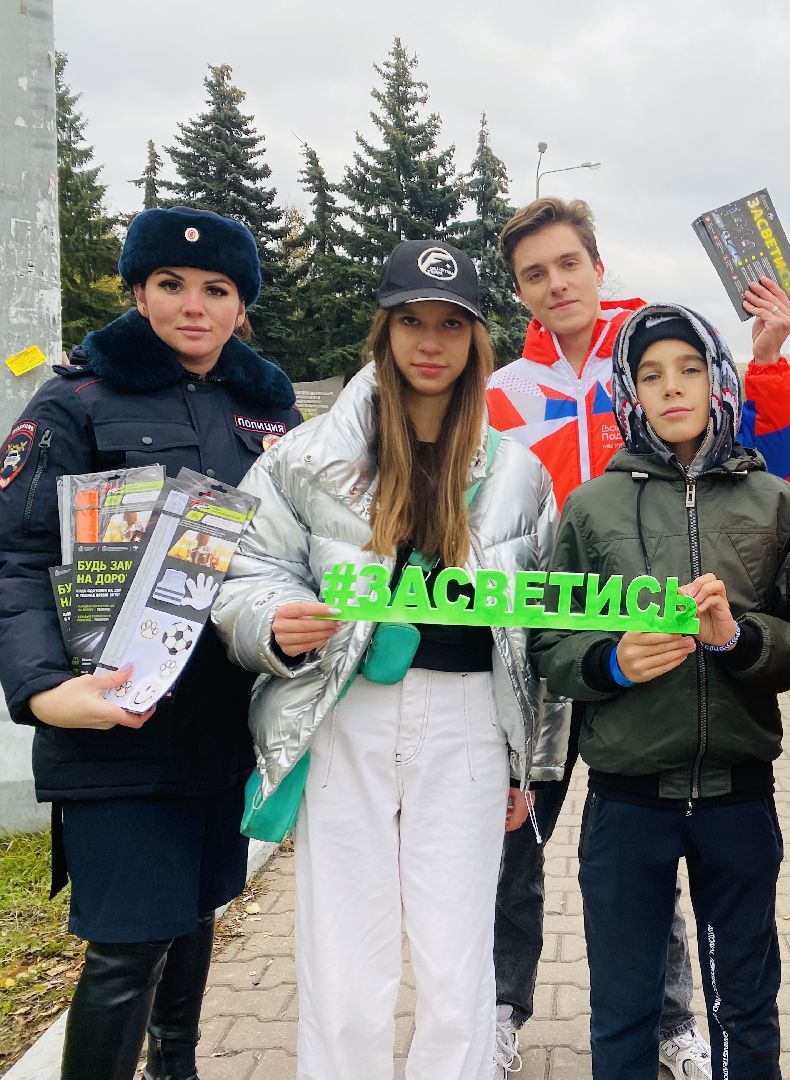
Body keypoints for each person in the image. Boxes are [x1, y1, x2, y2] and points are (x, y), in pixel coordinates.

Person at [211, 239, 560, 1080]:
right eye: (411, 321)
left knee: (456, 952)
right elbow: (246, 570)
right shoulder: (306, 456)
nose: (429, 342)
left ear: (478, 341)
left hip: (469, 719)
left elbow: (540, 634)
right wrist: (272, 623)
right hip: (350, 711)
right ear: (385, 330)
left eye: (451, 324)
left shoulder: (519, 473)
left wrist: (529, 765)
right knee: (343, 947)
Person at [484, 196, 790, 1078]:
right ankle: (504, 1005)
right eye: (534, 274)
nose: (556, 284)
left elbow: (769, 468)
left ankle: (672, 1023)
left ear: (597, 265)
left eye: (568, 264)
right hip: (560, 635)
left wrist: (770, 359)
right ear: (520, 292)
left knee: (659, 823)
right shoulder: (506, 393)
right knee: (520, 830)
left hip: (685, 683)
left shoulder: (658, 345)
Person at [0, 206, 300, 1080]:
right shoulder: (73, 399)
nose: (193, 307)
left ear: (241, 305)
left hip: (219, 721)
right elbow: (15, 557)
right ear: (138, 290)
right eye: (171, 284)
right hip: (111, 717)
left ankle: (180, 1069)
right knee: (127, 945)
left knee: (195, 918)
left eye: (217, 289)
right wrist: (45, 690)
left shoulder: (269, 412)